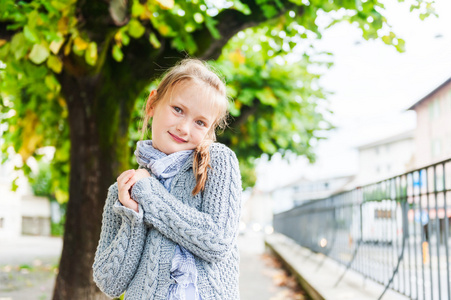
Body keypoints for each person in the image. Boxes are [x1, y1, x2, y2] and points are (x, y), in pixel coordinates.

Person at [92, 58, 242, 300]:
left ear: (210, 129)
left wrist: (150, 196)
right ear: (153, 103)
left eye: (200, 122)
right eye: (178, 110)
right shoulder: (125, 189)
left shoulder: (215, 162)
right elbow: (109, 282)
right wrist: (133, 216)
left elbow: (217, 242)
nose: (184, 127)